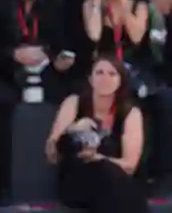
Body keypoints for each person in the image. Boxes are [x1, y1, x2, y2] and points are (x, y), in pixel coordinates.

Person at [45, 55, 147, 212]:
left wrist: (100, 159)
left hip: (113, 181)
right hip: (77, 180)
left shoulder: (130, 112)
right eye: (99, 72)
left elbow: (130, 165)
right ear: (90, 79)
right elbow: (52, 154)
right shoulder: (74, 102)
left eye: (112, 74)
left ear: (121, 81)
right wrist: (73, 129)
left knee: (109, 175)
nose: (105, 78)